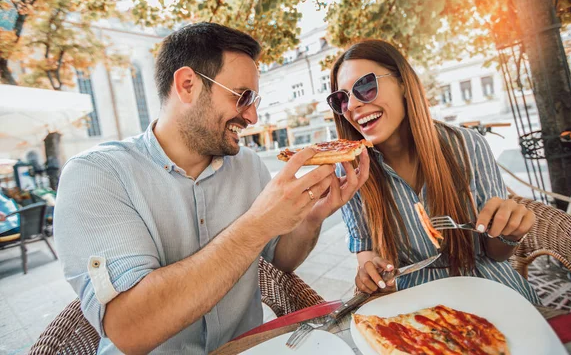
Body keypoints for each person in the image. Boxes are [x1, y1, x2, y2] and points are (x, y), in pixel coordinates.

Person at [53, 22, 369, 355]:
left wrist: (313, 217)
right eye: (243, 97)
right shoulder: (98, 175)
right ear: (187, 85)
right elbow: (129, 329)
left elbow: (282, 260)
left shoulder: (248, 165)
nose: (253, 117)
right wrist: (257, 224)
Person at [326, 40, 539, 303]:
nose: (354, 105)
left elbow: (495, 253)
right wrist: (370, 273)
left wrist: (510, 233)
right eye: (341, 98)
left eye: (366, 86)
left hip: (489, 288)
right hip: (415, 304)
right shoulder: (351, 169)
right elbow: (367, 255)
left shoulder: (467, 145)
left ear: (403, 82)